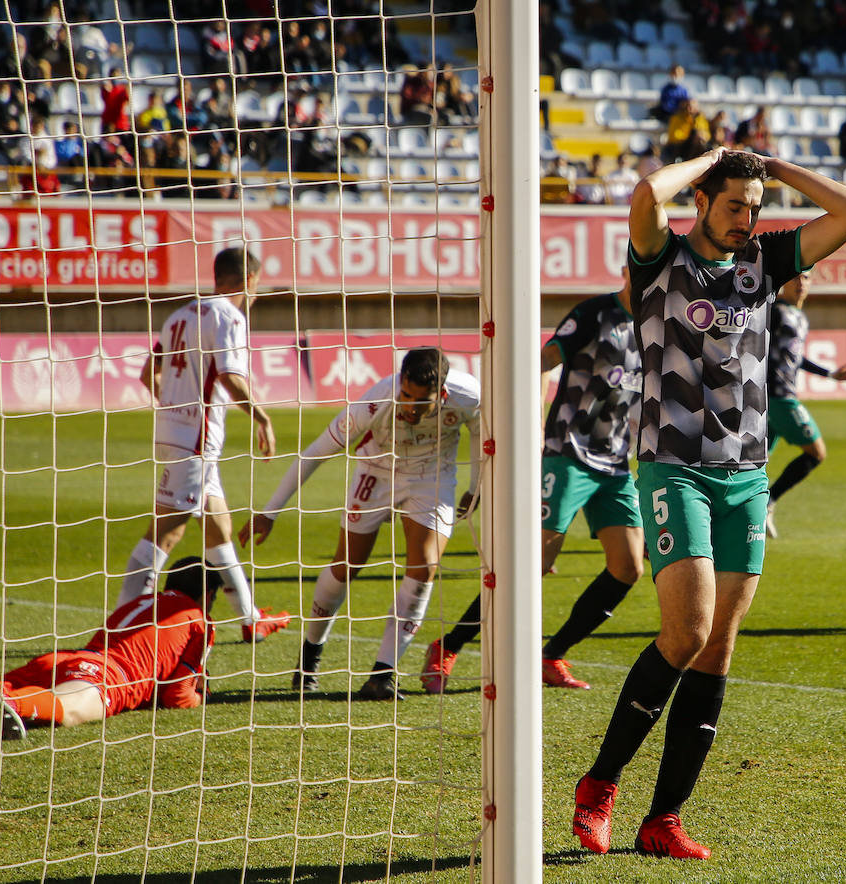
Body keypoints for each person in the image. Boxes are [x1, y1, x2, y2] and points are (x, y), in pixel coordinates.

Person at [572, 148, 846, 860]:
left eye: (755, 207)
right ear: (702, 201)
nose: (747, 219)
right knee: (687, 633)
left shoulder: (764, 262)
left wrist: (776, 169)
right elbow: (646, 192)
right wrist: (713, 159)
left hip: (747, 476)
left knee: (718, 651)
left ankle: (663, 819)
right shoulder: (660, 260)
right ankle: (600, 787)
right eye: (734, 204)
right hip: (676, 471)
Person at [421, 271, 644, 694]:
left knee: (628, 567)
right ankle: (448, 645)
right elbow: (544, 360)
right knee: (530, 566)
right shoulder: (595, 313)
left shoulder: (658, 323)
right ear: (628, 270)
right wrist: (535, 424)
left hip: (615, 464)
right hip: (567, 454)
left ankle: (552, 654)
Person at [239, 348, 480, 702]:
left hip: (432, 476)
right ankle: (309, 656)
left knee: (425, 567)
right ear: (400, 384)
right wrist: (270, 511)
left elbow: (480, 433)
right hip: (376, 472)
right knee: (346, 565)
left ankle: (382, 674)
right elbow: (316, 452)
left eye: (421, 402)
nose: (410, 407)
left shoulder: (469, 396)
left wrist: (475, 487)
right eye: (406, 395)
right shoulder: (374, 403)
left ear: (442, 395)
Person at [119, 246, 289, 643]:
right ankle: (125, 626)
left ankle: (249, 620)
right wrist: (262, 417)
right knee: (166, 532)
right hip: (196, 439)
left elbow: (149, 373)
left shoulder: (180, 315)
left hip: (175, 434)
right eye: (257, 284)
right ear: (248, 280)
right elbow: (231, 377)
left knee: (219, 527)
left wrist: (173, 407)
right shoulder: (229, 316)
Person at [0, 558, 220, 740]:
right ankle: (13, 705)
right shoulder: (201, 619)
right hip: (109, 674)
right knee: (71, 709)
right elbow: (176, 697)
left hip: (67, 659)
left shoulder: (142, 601)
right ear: (207, 595)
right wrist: (200, 694)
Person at [763, 271, 846, 538]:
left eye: (805, 278)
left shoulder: (799, 317)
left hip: (779, 397)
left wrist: (829, 374)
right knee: (816, 453)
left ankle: (743, 510)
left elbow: (795, 357)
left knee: (756, 462)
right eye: (794, 278)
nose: (800, 283)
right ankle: (768, 502)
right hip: (778, 397)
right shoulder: (776, 312)